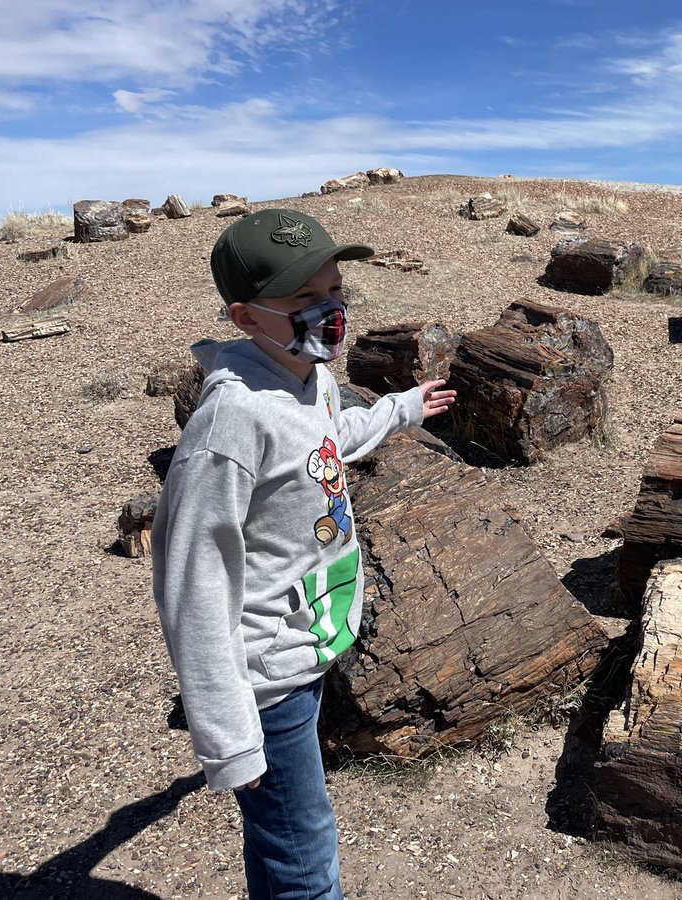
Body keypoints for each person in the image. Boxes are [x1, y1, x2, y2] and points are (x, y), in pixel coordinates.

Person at [152, 208, 456, 899]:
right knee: (304, 847)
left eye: (336, 290)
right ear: (244, 316)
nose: (331, 311)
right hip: (267, 672)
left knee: (280, 840)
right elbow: (193, 586)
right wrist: (228, 737)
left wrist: (399, 410)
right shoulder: (230, 423)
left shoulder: (305, 373)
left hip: (309, 638)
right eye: (304, 300)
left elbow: (326, 442)